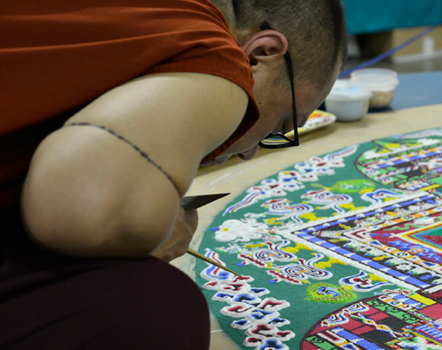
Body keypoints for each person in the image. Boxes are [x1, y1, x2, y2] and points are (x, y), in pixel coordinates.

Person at [0, 0, 347, 348]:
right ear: (260, 55)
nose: (249, 151)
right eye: (283, 122)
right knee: (152, 304)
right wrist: (154, 228)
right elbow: (72, 209)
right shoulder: (214, 50)